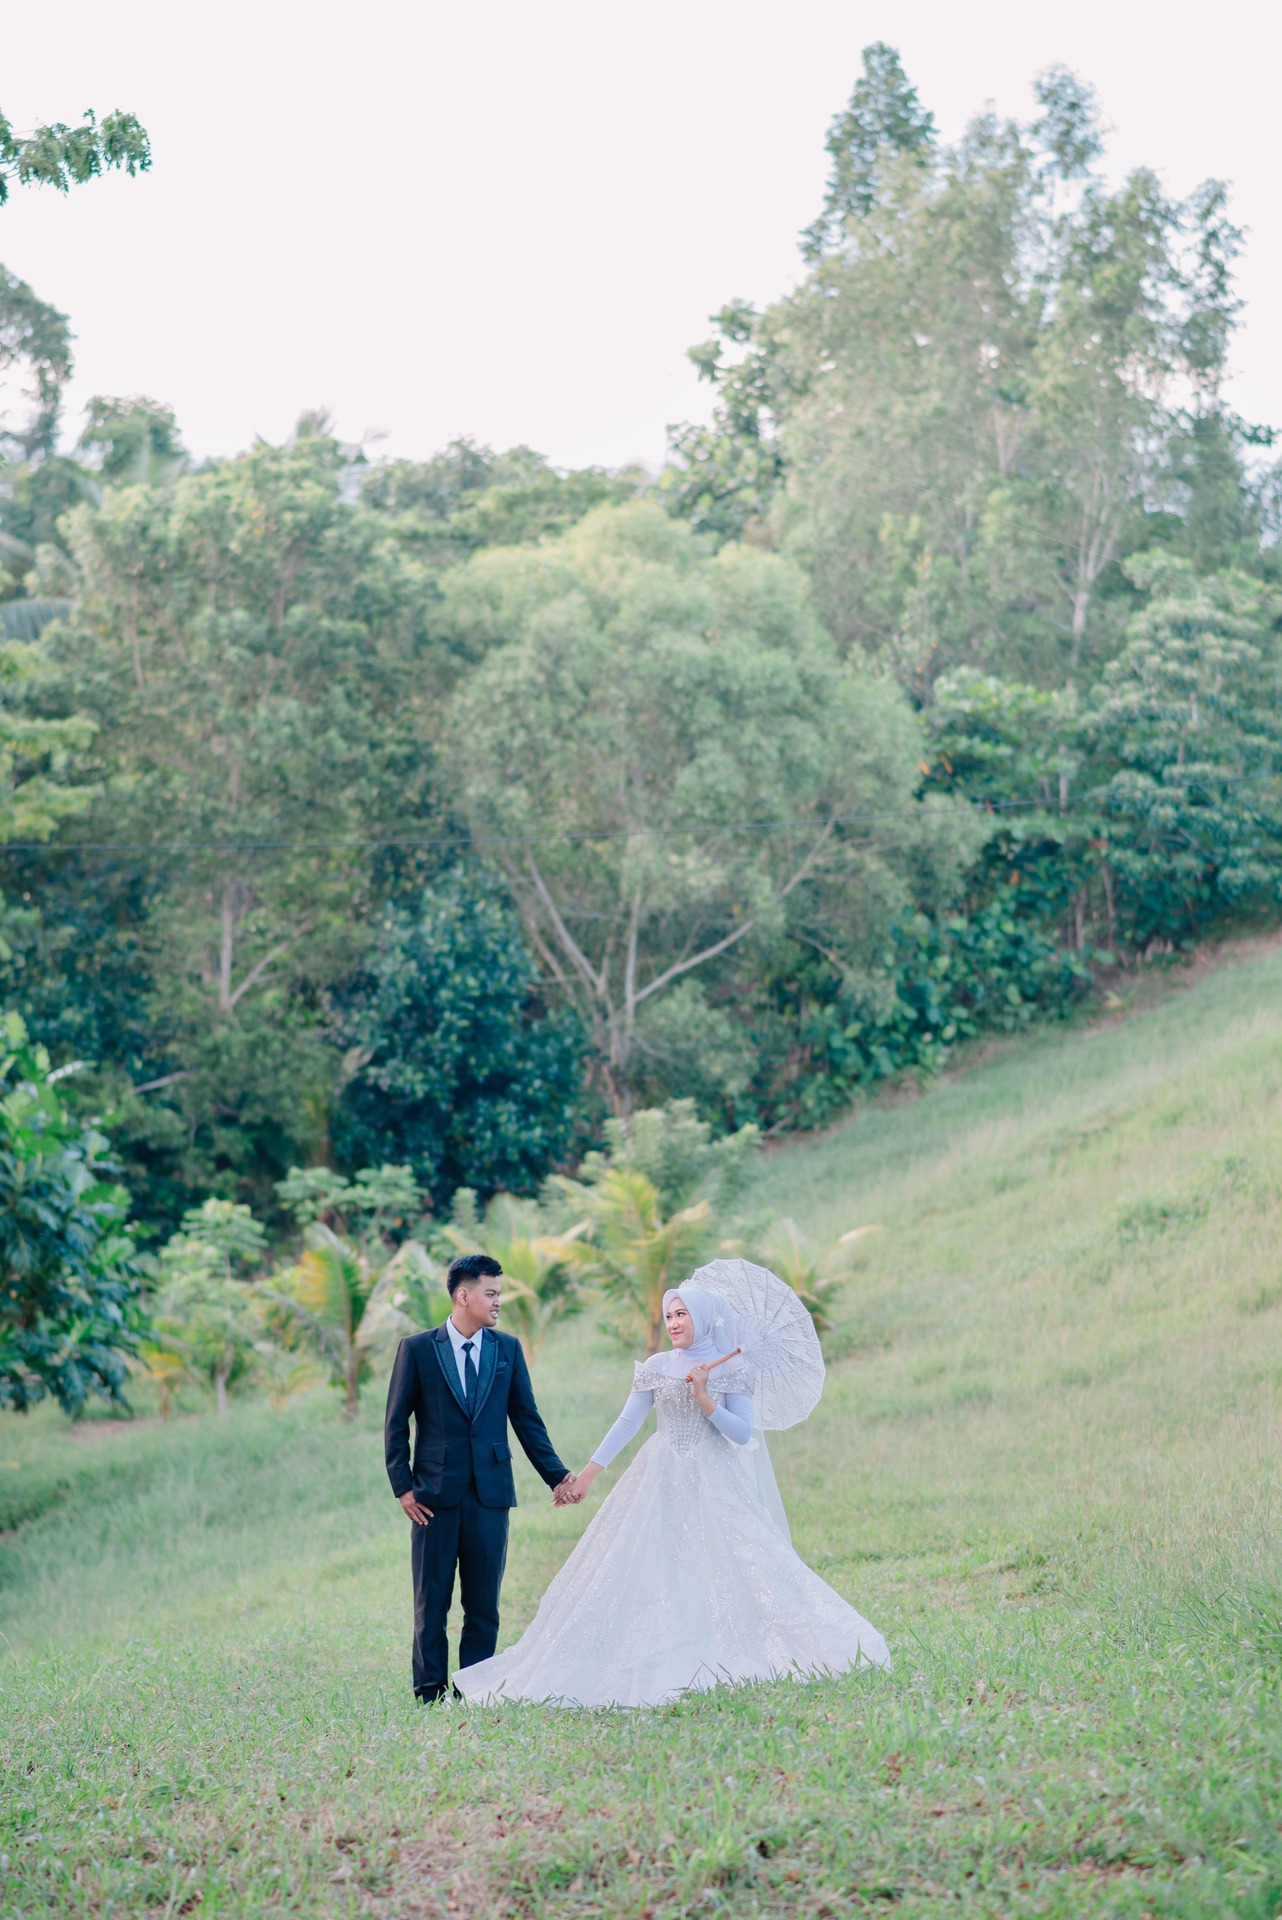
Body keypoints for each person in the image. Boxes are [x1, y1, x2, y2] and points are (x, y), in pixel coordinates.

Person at [454, 1284, 890, 1707]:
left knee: (737, 1559)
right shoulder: (657, 1365)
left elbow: (741, 1433)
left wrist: (704, 1395)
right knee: (643, 1561)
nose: (674, 1322)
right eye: (669, 1315)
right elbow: (627, 1422)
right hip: (659, 1474)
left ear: (702, 1318)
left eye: (682, 1314)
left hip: (714, 1478)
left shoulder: (734, 1369)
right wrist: (586, 1475)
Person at [383, 1252, 576, 1702]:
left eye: (499, 1294)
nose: (497, 1302)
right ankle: (429, 1694)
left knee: (483, 1605)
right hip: (432, 1496)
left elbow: (526, 1420)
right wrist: (403, 1487)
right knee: (431, 1604)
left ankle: (474, 1690)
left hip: (490, 1495)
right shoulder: (418, 1349)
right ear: (463, 1295)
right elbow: (395, 1423)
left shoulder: (506, 1349)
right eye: (491, 1293)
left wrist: (557, 1476)